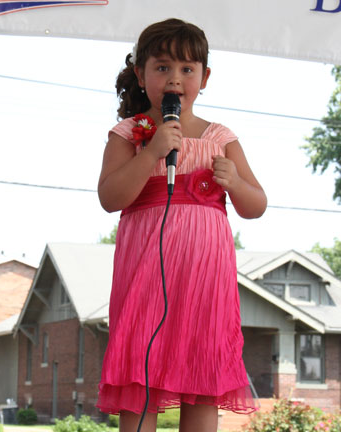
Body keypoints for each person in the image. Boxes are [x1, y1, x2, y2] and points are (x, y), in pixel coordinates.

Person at [96, 18, 267, 432]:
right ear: (141, 73)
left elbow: (256, 204)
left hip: (204, 282)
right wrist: (151, 151)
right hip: (147, 277)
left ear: (204, 77)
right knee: (143, 364)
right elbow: (110, 197)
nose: (175, 79)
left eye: (187, 70)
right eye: (162, 68)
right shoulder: (129, 134)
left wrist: (235, 183)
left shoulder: (220, 137)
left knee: (203, 367)